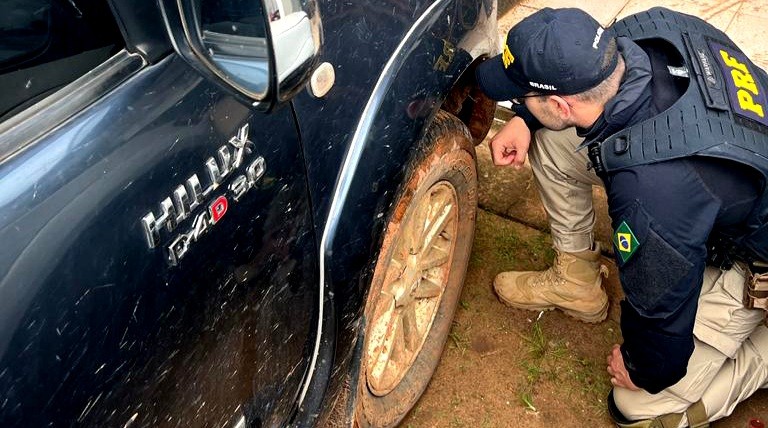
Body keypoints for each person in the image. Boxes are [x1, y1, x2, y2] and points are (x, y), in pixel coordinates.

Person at [476, 6, 768, 427]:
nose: (518, 102)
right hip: (726, 189)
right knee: (550, 141)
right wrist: (525, 119)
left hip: (753, 255)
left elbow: (662, 315)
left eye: (522, 97)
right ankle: (576, 284)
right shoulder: (644, 29)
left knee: (638, 407)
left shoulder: (651, 195)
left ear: (558, 103)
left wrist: (640, 365)